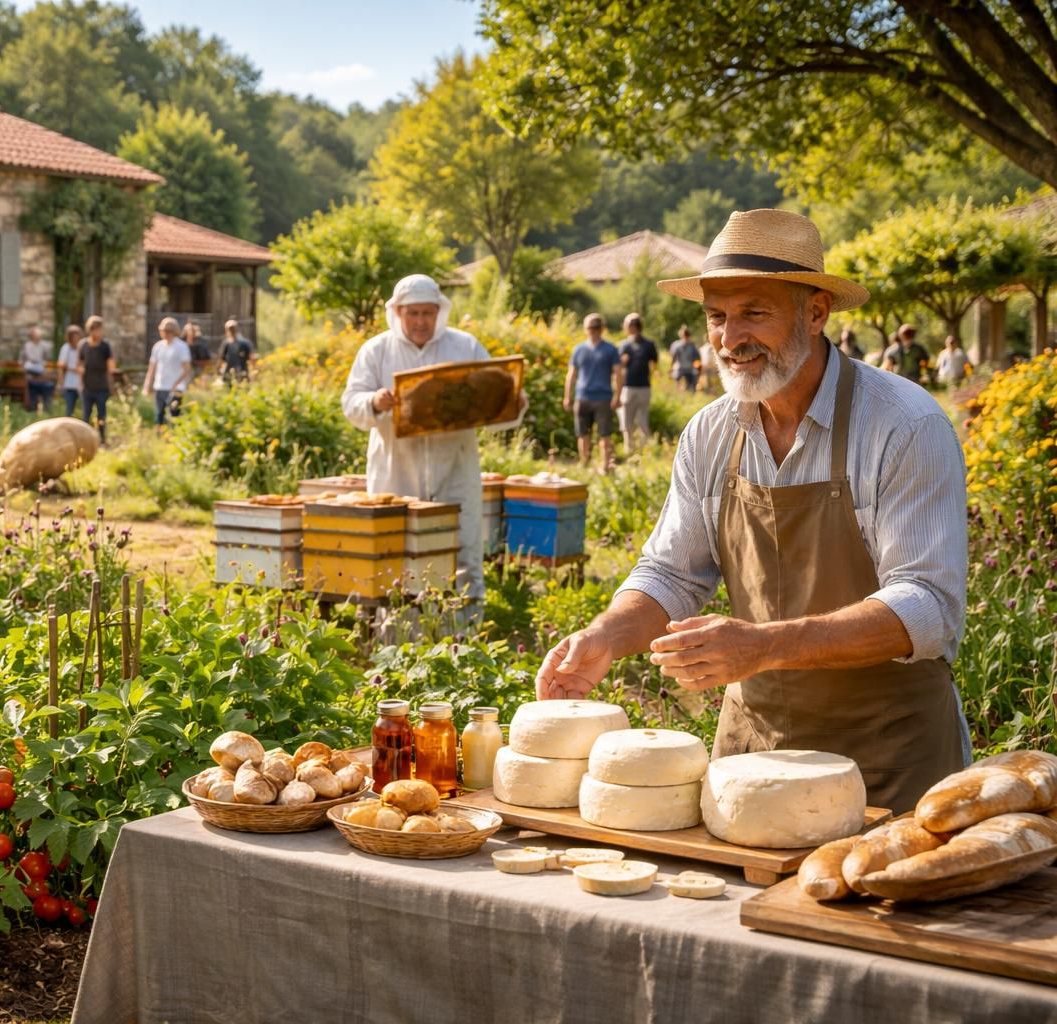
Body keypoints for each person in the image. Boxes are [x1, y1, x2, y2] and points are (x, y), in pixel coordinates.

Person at [534, 209, 970, 814]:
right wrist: (605, 636)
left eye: (754, 312)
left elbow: (926, 607)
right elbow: (671, 574)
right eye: (717, 316)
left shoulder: (905, 425)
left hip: (891, 760)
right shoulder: (709, 433)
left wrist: (764, 645)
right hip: (751, 762)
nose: (729, 337)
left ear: (816, 312)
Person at [342, 274, 523, 608]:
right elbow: (351, 403)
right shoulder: (376, 350)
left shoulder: (465, 346)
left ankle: (464, 635)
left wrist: (512, 401)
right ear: (397, 313)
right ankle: (397, 637)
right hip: (395, 471)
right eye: (413, 313)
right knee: (395, 551)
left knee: (463, 550)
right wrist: (375, 401)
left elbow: (498, 402)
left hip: (455, 467)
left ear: (439, 312)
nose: (421, 321)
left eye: (427, 313)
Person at [564, 313, 622, 472]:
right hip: (582, 397)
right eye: (590, 327)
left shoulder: (610, 349)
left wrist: (618, 396)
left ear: (602, 329)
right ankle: (585, 463)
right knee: (582, 433)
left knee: (605, 434)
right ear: (585, 329)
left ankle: (605, 467)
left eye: (596, 327)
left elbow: (618, 373)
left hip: (603, 398)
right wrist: (567, 396)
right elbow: (571, 375)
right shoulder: (578, 349)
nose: (593, 331)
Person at [617, 314, 658, 452]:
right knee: (626, 419)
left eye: (627, 325)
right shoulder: (623, 345)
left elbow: (654, 363)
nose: (625, 327)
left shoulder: (648, 344)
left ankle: (644, 449)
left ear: (634, 326)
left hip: (644, 387)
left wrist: (651, 375)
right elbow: (618, 368)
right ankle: (628, 448)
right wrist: (623, 363)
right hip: (627, 386)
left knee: (642, 420)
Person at [142, 317, 193, 428]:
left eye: (165, 330)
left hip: (176, 388)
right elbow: (152, 368)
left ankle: (174, 440)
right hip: (160, 386)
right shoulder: (158, 347)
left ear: (171, 331)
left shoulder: (181, 347)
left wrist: (176, 384)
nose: (162, 332)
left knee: (174, 415)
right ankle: (160, 439)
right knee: (159, 415)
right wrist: (147, 385)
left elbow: (187, 369)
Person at [78, 315, 115, 444]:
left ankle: (102, 439)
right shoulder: (83, 345)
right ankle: (84, 440)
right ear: (91, 330)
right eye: (96, 329)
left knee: (101, 415)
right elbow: (80, 363)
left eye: (100, 329)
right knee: (85, 416)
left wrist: (111, 383)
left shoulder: (105, 346)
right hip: (87, 386)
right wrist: (81, 379)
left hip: (101, 387)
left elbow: (111, 366)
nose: (99, 332)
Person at [19, 324, 54, 413]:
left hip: (43, 378)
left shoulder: (44, 346)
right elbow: (21, 361)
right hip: (31, 378)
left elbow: (48, 360)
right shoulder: (27, 346)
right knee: (32, 402)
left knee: (46, 402)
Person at [56, 324, 83, 416]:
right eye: (74, 336)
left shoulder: (82, 347)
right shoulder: (66, 348)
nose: (76, 338)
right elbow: (61, 365)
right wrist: (60, 382)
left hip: (82, 384)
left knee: (85, 409)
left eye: (77, 336)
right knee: (69, 410)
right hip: (69, 383)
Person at [219, 319, 255, 385]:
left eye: (232, 328)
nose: (232, 330)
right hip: (230, 373)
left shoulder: (244, 343)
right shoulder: (227, 343)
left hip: (242, 372)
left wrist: (252, 373)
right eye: (230, 329)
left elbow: (251, 358)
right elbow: (222, 359)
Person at [668, 325, 700, 393]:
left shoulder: (692, 345)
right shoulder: (677, 345)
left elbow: (697, 359)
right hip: (680, 368)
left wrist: (698, 369)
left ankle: (690, 393)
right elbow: (673, 358)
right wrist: (671, 369)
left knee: (691, 384)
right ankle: (679, 393)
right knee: (677, 381)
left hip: (690, 368)